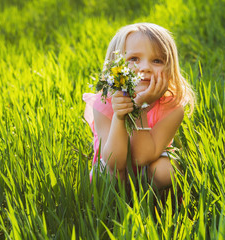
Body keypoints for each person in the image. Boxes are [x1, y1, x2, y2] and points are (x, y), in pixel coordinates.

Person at [83, 23, 195, 189]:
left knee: (165, 171)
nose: (145, 68)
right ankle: (110, 211)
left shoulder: (172, 106)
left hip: (149, 166)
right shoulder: (105, 102)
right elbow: (115, 162)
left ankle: (159, 209)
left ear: (169, 67)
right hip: (115, 170)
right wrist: (119, 117)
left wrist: (140, 109)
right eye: (134, 59)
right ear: (116, 66)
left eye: (157, 60)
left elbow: (142, 158)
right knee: (104, 174)